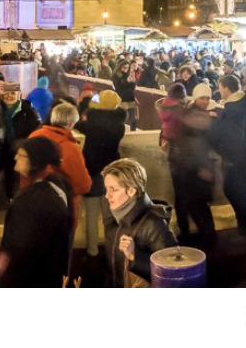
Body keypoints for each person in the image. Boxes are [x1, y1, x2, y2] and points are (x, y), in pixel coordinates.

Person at [0, 137, 74, 288]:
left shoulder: (30, 201)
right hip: (52, 272)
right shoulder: (58, 185)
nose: (15, 158)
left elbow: (16, 250)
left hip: (30, 278)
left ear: (36, 161)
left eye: (21, 155)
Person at [101, 158, 176, 288]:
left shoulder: (153, 223)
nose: (107, 196)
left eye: (113, 189)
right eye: (106, 189)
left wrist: (135, 255)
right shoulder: (114, 218)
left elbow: (171, 270)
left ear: (131, 191)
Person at [75, 89, 127, 258]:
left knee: (91, 214)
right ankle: (111, 250)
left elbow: (77, 123)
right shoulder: (119, 126)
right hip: (112, 172)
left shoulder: (90, 124)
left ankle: (92, 251)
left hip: (92, 171)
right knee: (110, 216)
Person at [169, 83, 217, 251]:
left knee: (184, 206)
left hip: (183, 170)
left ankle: (187, 240)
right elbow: (196, 146)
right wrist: (202, 168)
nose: (205, 101)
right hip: (191, 173)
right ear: (195, 98)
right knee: (200, 211)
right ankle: (209, 248)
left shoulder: (187, 114)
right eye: (202, 98)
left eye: (208, 98)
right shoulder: (197, 118)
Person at [211, 74, 246, 238]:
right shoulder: (243, 103)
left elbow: (229, 136)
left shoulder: (233, 109)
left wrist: (216, 122)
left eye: (220, 87)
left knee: (234, 191)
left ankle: (245, 230)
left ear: (227, 88)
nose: (219, 90)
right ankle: (245, 228)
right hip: (245, 154)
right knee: (239, 192)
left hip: (235, 157)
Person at [28, 102, 93, 214]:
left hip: (32, 198)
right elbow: (83, 184)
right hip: (61, 206)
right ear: (72, 123)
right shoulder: (69, 147)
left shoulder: (34, 136)